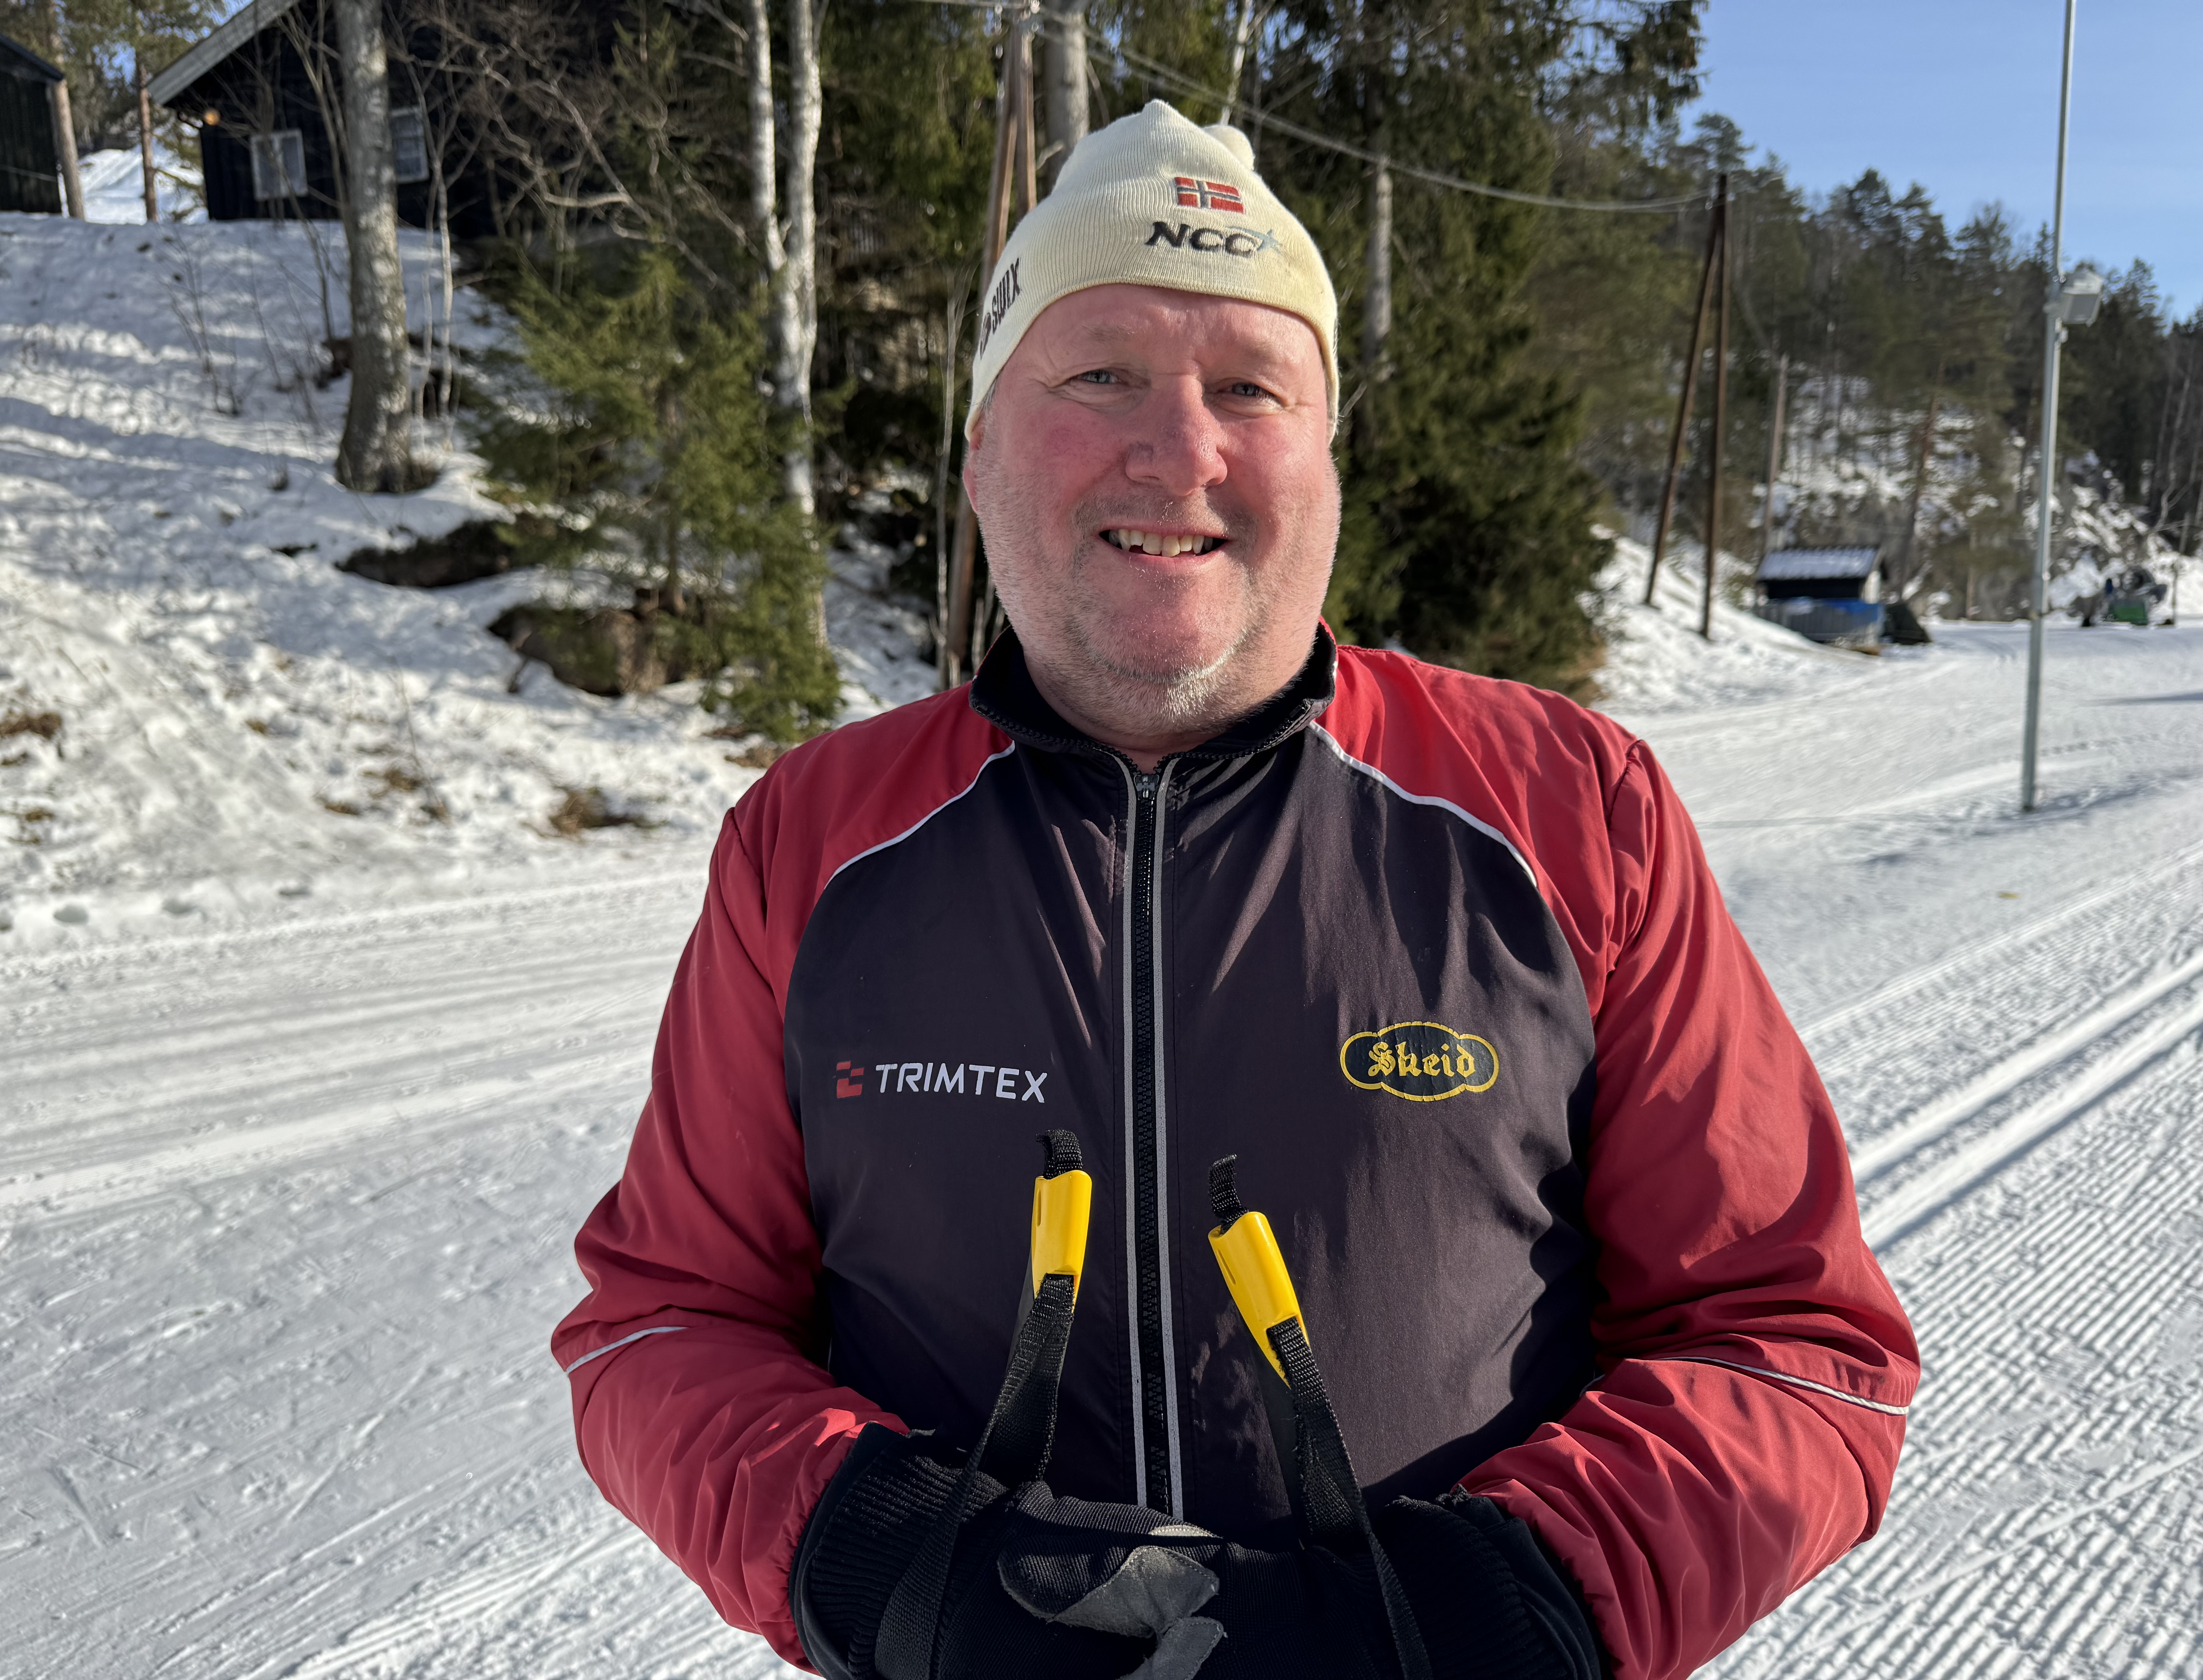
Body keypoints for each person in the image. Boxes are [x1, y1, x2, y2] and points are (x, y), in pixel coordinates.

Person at [552, 102, 1917, 1680]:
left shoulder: (1569, 812)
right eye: (1101, 373)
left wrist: (1497, 1606)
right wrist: (891, 1558)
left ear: (1324, 462)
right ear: (984, 448)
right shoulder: (815, 841)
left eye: (1250, 389)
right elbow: (660, 1326)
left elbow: (1799, 1346)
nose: (1180, 447)